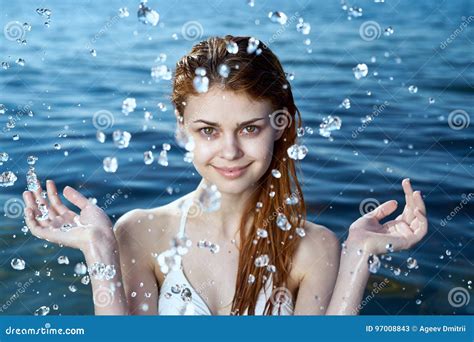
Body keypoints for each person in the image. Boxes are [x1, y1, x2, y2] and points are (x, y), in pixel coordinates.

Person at [22, 35, 428, 316]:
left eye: (250, 128)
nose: (230, 151)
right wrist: (99, 251)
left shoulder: (314, 247)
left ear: (280, 124)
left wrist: (359, 253)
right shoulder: (142, 232)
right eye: (208, 131)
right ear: (183, 129)